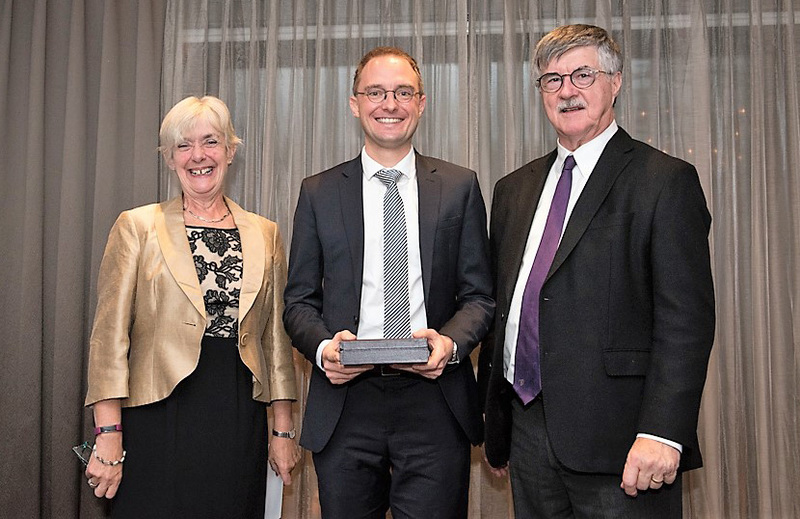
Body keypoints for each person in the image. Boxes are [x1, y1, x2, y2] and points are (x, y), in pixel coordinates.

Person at [479, 24, 715, 518]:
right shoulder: (512, 190)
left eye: (582, 75)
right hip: (526, 433)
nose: (567, 91)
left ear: (616, 82)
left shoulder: (664, 181)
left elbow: (686, 323)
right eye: (552, 79)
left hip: (623, 443)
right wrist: (496, 421)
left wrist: (662, 432)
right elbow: (507, 307)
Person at [283, 47, 494, 518]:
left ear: (421, 102)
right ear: (355, 103)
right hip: (346, 402)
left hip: (434, 403)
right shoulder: (317, 192)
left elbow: (479, 296)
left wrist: (451, 345)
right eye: (375, 92)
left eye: (403, 92)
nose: (389, 104)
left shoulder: (459, 186)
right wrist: (323, 352)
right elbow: (298, 302)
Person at [83, 95, 300, 518]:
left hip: (238, 413)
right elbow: (108, 340)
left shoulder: (266, 233)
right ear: (169, 158)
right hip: (154, 415)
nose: (198, 155)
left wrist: (283, 430)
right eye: (183, 145)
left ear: (230, 151)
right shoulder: (137, 227)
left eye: (210, 142)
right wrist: (108, 433)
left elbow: (277, 343)